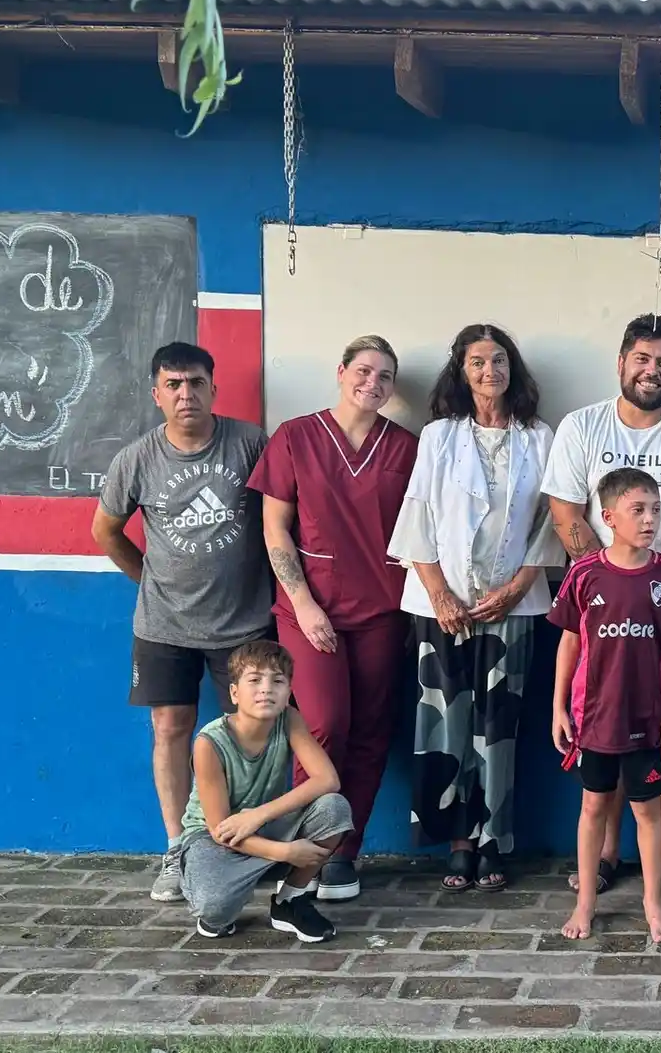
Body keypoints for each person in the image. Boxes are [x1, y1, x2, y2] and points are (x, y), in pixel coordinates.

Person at [543, 314, 661, 899]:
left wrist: (660, 573)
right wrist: (611, 569)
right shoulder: (581, 426)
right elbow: (566, 510)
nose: (653, 371)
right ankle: (607, 851)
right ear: (622, 362)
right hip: (600, 597)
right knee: (604, 722)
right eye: (643, 359)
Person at [91, 342, 273, 903]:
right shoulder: (137, 459)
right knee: (170, 730)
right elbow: (106, 531)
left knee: (251, 736)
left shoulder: (248, 443)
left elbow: (280, 520)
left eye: (195, 383)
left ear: (213, 388)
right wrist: (148, 579)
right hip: (164, 627)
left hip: (244, 623)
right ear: (157, 395)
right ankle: (176, 848)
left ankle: (242, 842)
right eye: (173, 385)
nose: (185, 394)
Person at [388, 324, 561, 893]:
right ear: (461, 372)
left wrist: (516, 587)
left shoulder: (540, 437)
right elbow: (419, 516)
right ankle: (457, 844)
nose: (491, 371)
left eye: (501, 359)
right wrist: (439, 593)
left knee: (499, 727)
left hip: (513, 605)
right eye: (478, 362)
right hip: (442, 607)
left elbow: (550, 522)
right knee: (447, 723)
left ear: (515, 369)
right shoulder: (439, 436)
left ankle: (492, 842)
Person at [248, 335, 418, 902]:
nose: (373, 383)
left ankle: (345, 853)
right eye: (364, 370)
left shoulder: (405, 448)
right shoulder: (296, 436)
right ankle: (307, 847)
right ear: (341, 371)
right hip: (309, 610)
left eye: (385, 377)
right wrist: (302, 602)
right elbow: (276, 529)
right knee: (323, 726)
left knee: (371, 732)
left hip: (381, 609)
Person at [550, 468, 661, 944]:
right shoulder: (584, 574)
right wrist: (559, 708)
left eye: (655, 509)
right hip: (594, 718)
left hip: (646, 720)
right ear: (608, 517)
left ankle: (652, 904)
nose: (650, 519)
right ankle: (585, 901)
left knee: (649, 813)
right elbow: (570, 642)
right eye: (638, 510)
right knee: (593, 807)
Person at [179, 640, 354, 944]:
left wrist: (259, 814)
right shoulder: (209, 743)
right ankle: (215, 895)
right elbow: (220, 831)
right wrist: (286, 852)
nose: (266, 689)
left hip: (263, 825)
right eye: (255, 680)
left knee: (333, 808)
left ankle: (289, 901)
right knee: (215, 911)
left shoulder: (289, 720)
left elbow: (327, 780)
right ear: (234, 692)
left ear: (288, 693)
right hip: (212, 838)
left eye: (277, 681)